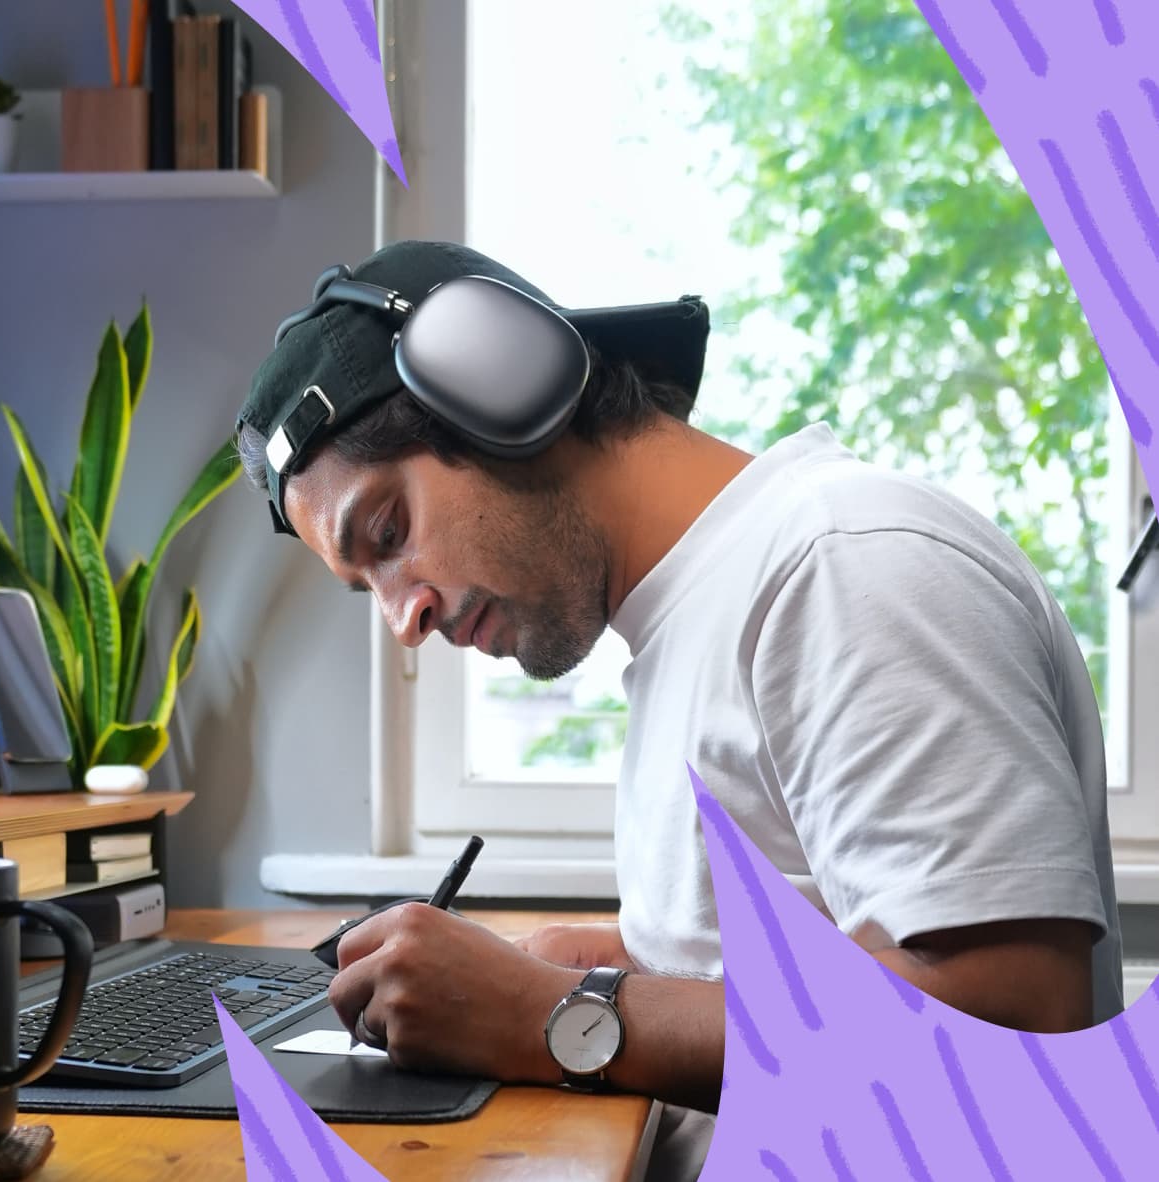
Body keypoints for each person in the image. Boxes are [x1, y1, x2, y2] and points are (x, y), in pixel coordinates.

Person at [233, 241, 1121, 1179]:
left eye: (388, 530)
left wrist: (549, 1013)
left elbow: (1011, 1026)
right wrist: (592, 962)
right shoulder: (700, 617)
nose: (403, 620)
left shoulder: (847, 566)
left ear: (506, 391)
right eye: (366, 587)